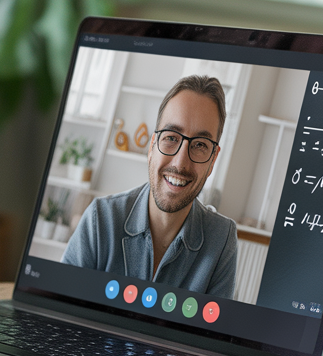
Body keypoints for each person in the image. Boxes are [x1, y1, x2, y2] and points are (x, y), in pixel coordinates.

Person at [62, 75, 237, 297]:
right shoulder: (101, 219)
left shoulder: (222, 240)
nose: (180, 163)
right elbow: (59, 314)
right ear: (152, 146)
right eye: (171, 137)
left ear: (213, 160)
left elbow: (214, 331)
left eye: (200, 145)